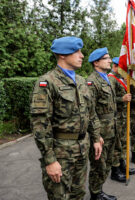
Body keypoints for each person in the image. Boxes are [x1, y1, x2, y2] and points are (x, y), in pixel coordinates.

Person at [30, 36, 103, 200]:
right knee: (59, 196)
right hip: (61, 154)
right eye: (77, 51)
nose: (82, 55)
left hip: (82, 150)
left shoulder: (81, 81)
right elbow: (40, 125)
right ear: (62, 54)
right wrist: (49, 160)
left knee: (78, 194)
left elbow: (91, 114)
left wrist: (96, 138)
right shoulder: (47, 83)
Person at [87, 48, 119, 200]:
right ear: (96, 62)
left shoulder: (106, 78)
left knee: (107, 162)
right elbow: (90, 111)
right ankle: (96, 193)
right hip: (101, 132)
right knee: (98, 165)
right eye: (106, 58)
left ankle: (99, 189)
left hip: (111, 128)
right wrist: (96, 135)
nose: (110, 60)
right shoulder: (92, 81)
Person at [108, 57, 135, 179]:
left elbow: (132, 94)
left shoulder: (120, 79)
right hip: (117, 118)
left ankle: (123, 165)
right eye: (123, 68)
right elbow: (108, 100)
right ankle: (115, 171)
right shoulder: (111, 79)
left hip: (124, 116)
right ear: (116, 66)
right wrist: (122, 99)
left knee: (124, 143)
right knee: (117, 145)